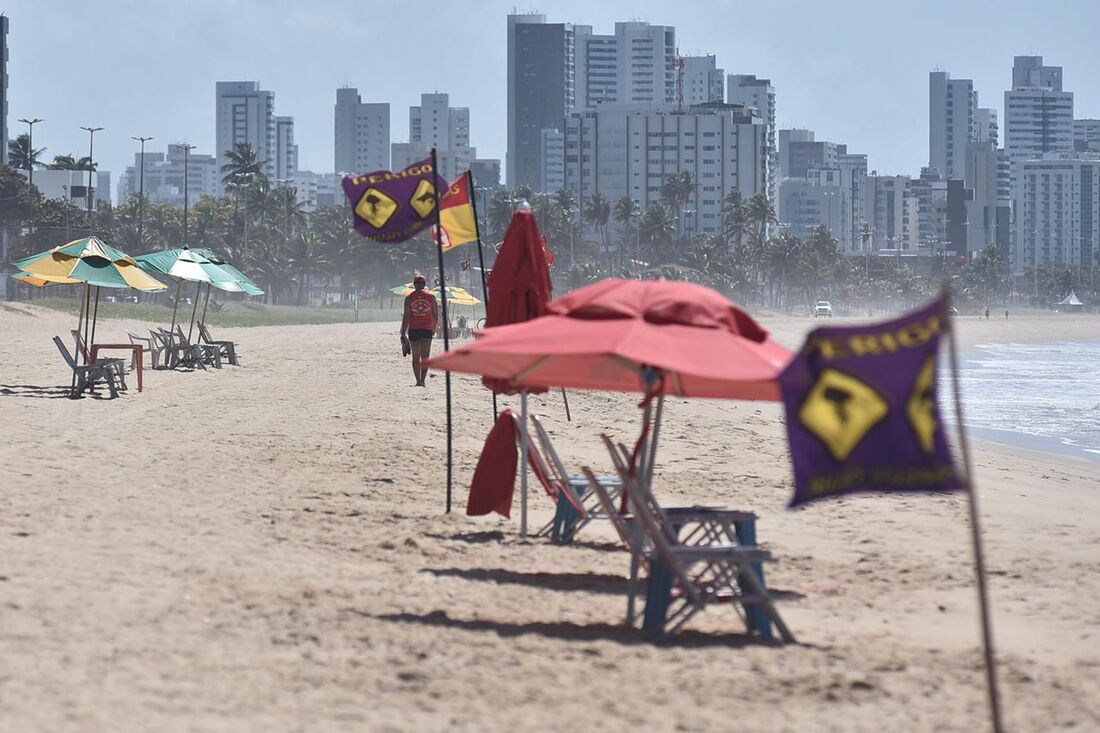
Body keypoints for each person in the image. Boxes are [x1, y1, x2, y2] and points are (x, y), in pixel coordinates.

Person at [400, 274, 438, 387]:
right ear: (424, 284)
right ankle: (423, 380)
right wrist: (434, 327)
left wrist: (402, 331)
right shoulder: (431, 298)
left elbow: (406, 316)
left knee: (416, 357)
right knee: (425, 357)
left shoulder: (409, 298)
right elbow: (435, 315)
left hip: (414, 329)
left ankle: (418, 381)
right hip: (427, 330)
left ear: (414, 285)